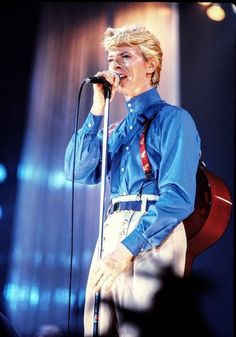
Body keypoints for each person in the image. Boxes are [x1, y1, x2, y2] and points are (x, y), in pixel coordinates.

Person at [64, 24, 201, 337]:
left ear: (150, 64)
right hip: (113, 226)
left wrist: (126, 249)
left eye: (125, 56)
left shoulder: (174, 119)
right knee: (98, 327)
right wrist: (97, 110)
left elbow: (178, 197)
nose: (115, 65)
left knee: (142, 328)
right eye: (112, 59)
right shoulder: (118, 129)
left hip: (154, 232)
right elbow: (76, 171)